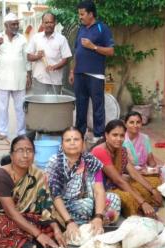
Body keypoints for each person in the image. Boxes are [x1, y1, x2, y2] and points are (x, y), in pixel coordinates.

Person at [45, 127, 121, 240]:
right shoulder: (55, 162)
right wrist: (69, 221)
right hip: (62, 207)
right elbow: (55, 195)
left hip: (88, 204)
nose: (72, 143)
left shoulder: (92, 161)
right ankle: (77, 227)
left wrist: (99, 216)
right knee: (85, 205)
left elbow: (99, 190)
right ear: (62, 144)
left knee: (114, 199)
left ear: (82, 142)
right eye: (68, 140)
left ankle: (93, 224)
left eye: (76, 139)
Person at [91, 120, 163, 218]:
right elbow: (118, 180)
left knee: (154, 182)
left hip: (117, 183)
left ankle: (146, 206)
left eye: (121, 136)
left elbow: (133, 172)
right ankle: (141, 211)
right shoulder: (100, 151)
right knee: (129, 198)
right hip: (102, 188)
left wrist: (152, 190)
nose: (119, 139)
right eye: (115, 135)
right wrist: (142, 202)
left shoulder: (121, 150)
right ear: (106, 135)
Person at [69, 0, 114, 142]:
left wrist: (93, 46)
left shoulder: (102, 28)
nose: (80, 17)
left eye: (82, 14)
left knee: (98, 107)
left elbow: (111, 51)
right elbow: (77, 52)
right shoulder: (81, 29)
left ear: (91, 14)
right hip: (79, 74)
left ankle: (99, 136)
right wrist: (72, 71)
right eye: (79, 14)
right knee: (80, 106)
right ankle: (79, 135)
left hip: (95, 74)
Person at [0, 13, 32, 140]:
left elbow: (26, 59)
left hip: (19, 78)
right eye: (13, 24)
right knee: (2, 107)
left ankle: (21, 132)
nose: (16, 26)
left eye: (17, 23)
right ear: (6, 25)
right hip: (3, 79)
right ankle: (2, 131)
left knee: (20, 108)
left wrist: (29, 75)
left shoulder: (22, 39)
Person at [26, 13, 72, 95]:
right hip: (39, 80)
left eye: (51, 22)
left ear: (55, 23)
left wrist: (54, 67)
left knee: (53, 106)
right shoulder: (36, 37)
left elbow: (66, 59)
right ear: (42, 24)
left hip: (55, 80)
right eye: (46, 22)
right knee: (39, 105)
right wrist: (37, 56)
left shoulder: (62, 39)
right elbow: (28, 57)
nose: (48, 25)